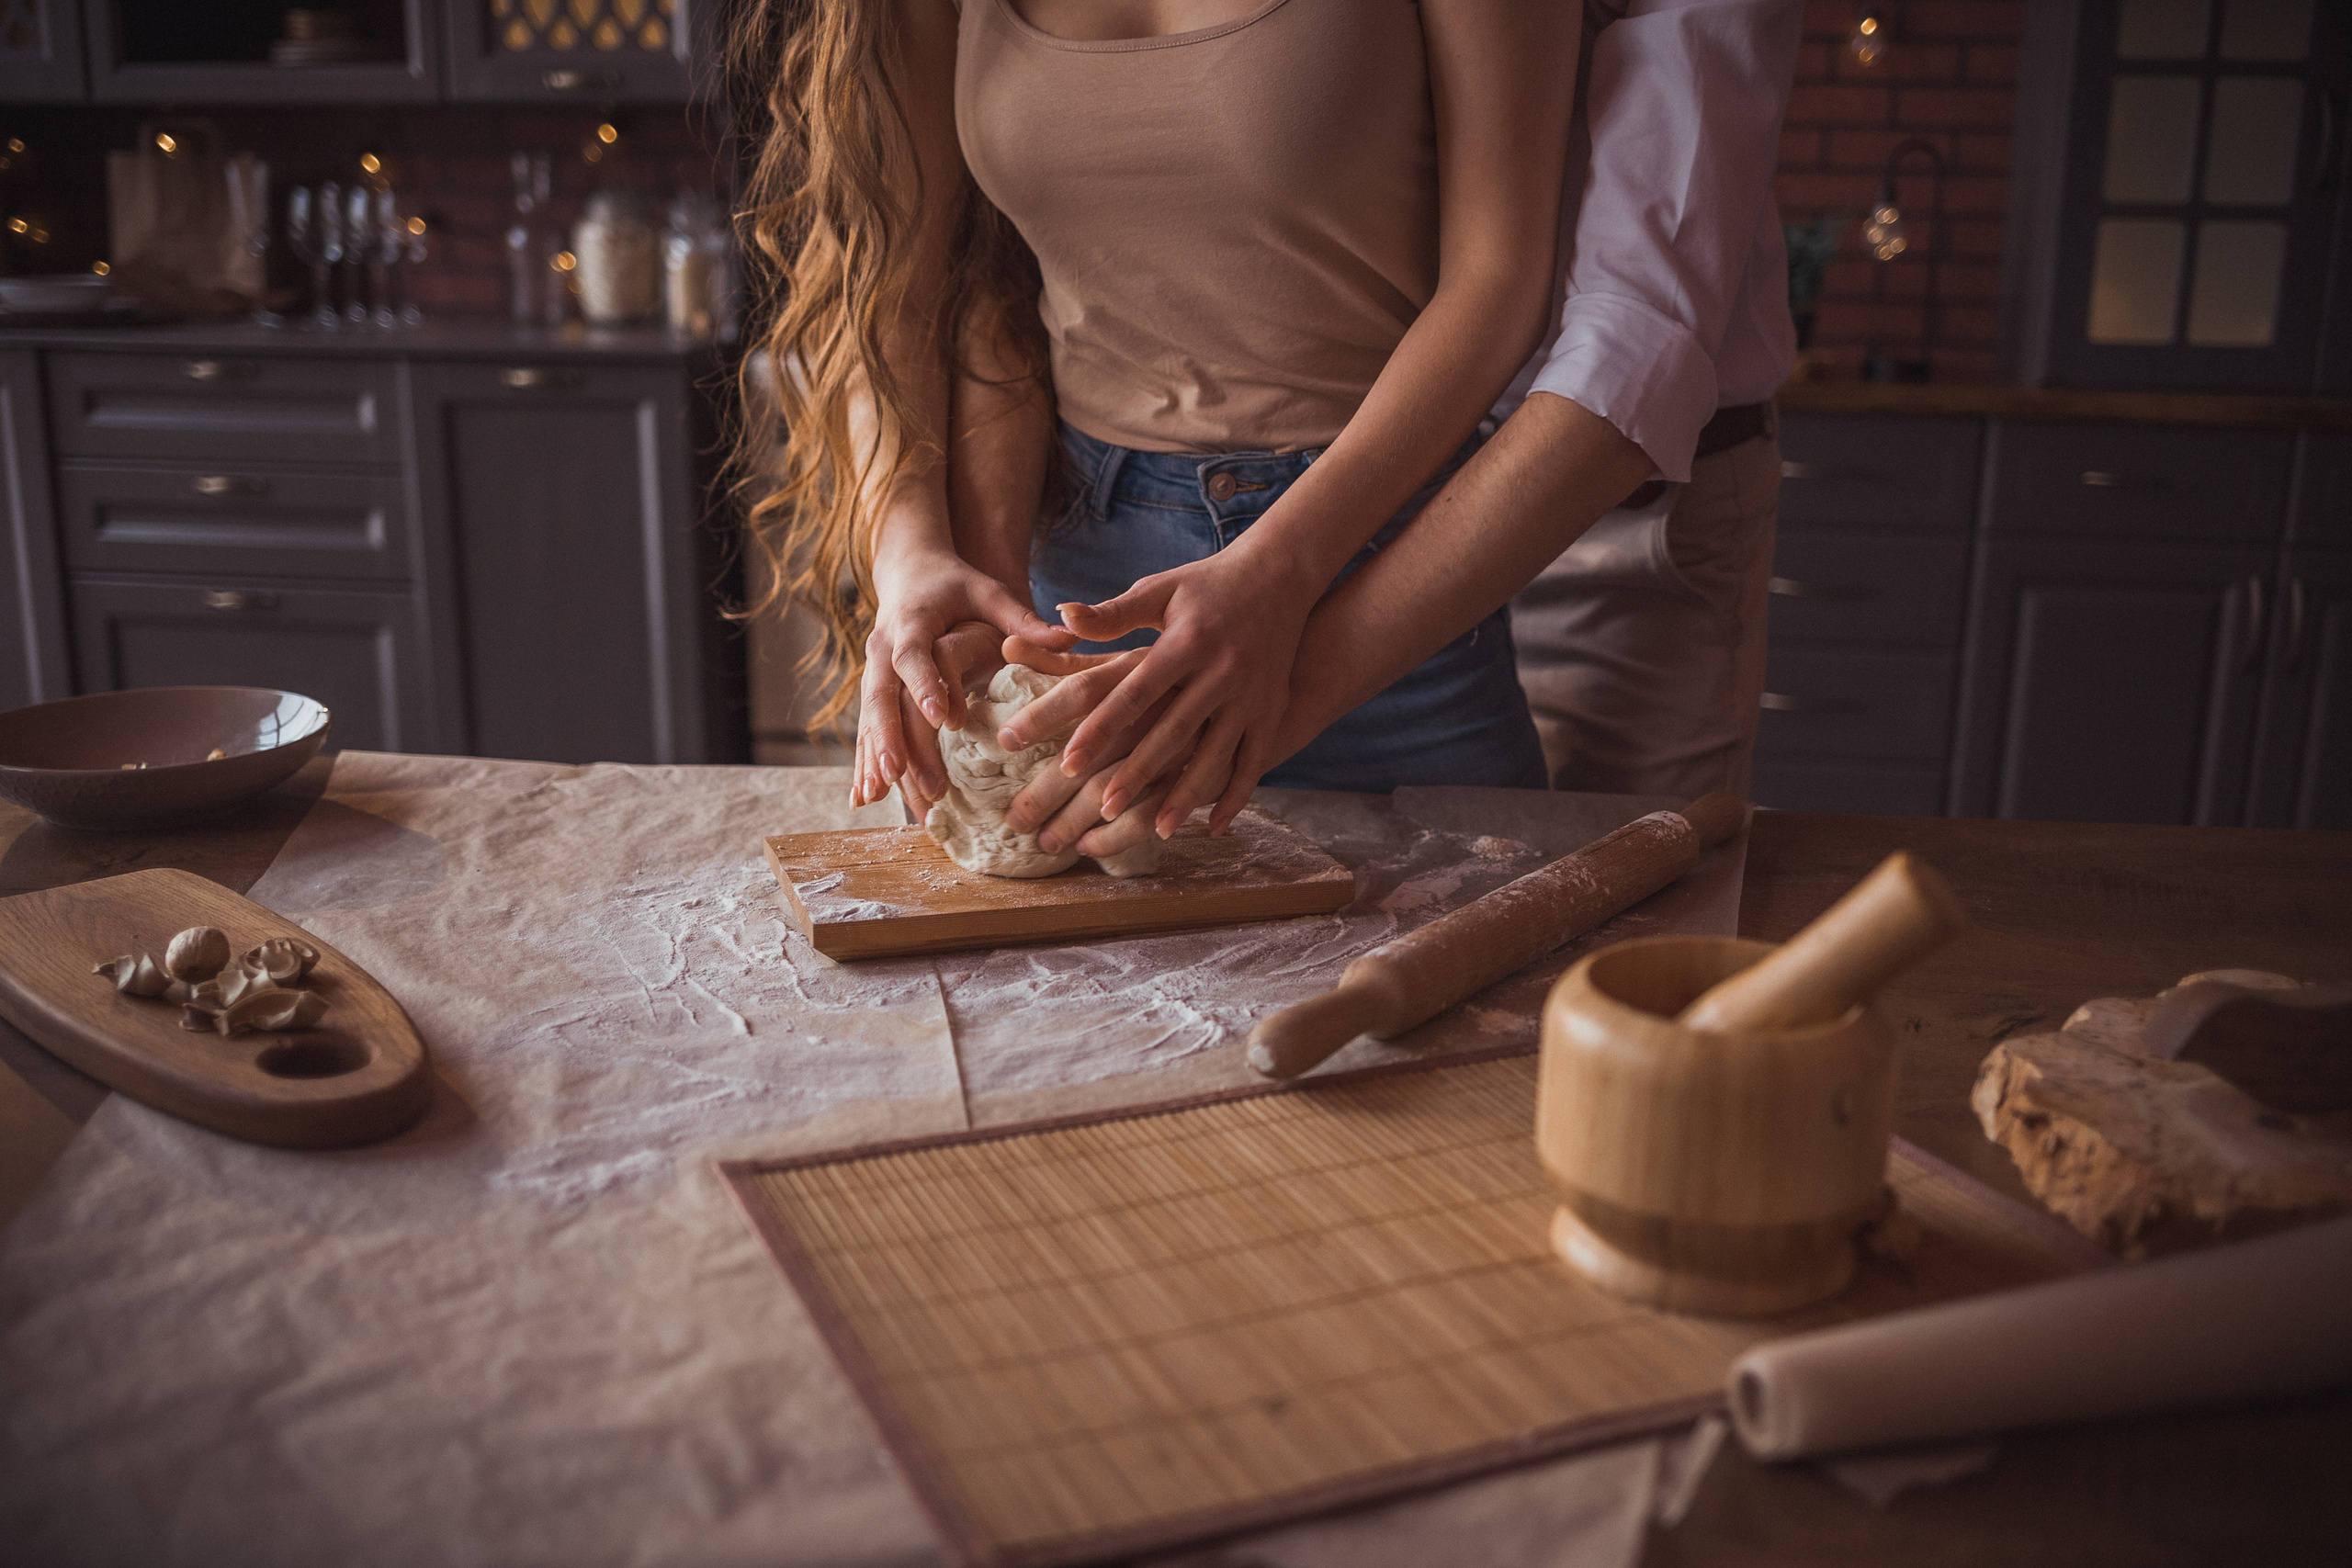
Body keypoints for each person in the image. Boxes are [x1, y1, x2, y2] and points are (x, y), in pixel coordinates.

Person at [729, 0, 1581, 841]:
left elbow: (1500, 276)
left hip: (1382, 581)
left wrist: (1282, 568)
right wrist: (911, 555)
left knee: (1460, 920)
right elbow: (902, 281)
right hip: (1076, 601)